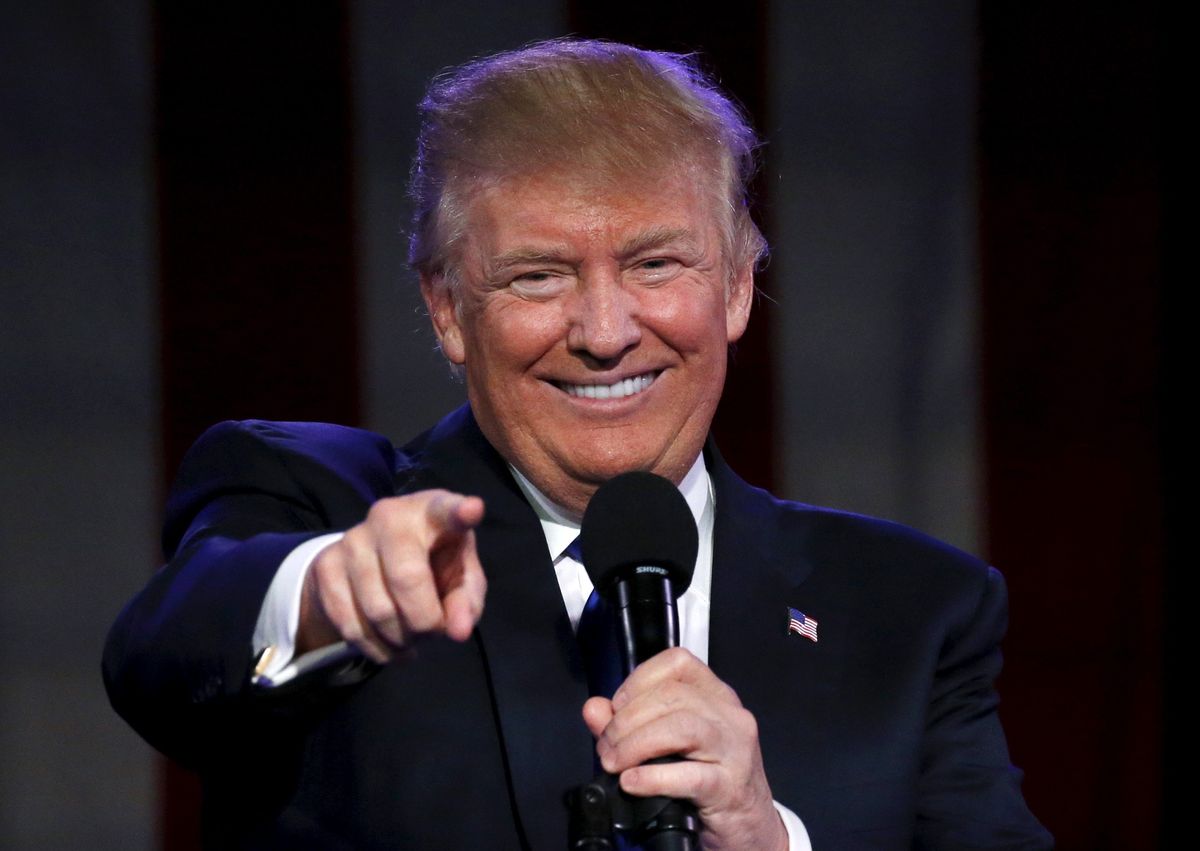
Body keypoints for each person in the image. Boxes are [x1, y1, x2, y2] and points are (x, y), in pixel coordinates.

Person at [104, 39, 1051, 850]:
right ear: (447, 310)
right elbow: (165, 657)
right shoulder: (323, 506)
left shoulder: (915, 612)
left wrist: (770, 839)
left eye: (654, 263)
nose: (604, 330)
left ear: (733, 287)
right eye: (539, 274)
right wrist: (324, 595)